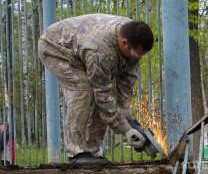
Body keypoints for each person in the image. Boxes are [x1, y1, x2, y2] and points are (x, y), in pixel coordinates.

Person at [38, 13, 154, 165]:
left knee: (104, 101)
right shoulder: (100, 51)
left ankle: (92, 152)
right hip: (56, 49)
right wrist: (125, 129)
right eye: (135, 54)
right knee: (84, 91)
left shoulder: (134, 37)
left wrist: (126, 115)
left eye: (141, 55)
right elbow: (103, 95)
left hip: (83, 49)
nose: (137, 58)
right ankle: (77, 153)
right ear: (123, 42)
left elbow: (126, 81)